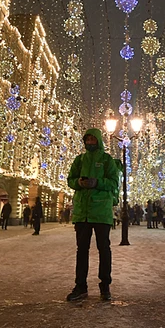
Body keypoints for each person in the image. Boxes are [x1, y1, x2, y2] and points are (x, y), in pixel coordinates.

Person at [66, 128, 120, 302]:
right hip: (82, 213)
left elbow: (113, 183)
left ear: (98, 141)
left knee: (104, 249)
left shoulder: (107, 160)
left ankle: (105, 286)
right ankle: (80, 286)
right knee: (82, 250)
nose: (90, 143)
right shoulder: (79, 160)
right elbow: (70, 180)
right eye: (87, 140)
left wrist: (97, 182)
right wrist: (79, 182)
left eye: (92, 140)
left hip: (101, 213)